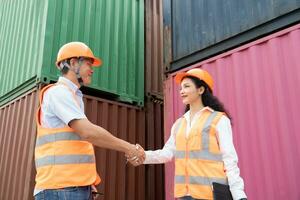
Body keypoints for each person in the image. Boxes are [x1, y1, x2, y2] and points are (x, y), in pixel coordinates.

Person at [34, 42, 145, 200]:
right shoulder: (58, 93)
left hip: (71, 187)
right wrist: (128, 148)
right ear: (73, 63)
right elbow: (88, 133)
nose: (92, 70)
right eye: (88, 64)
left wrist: (86, 183)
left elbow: (74, 145)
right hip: (61, 188)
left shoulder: (73, 97)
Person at [139, 68, 247, 200]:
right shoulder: (179, 124)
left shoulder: (218, 120)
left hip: (211, 194)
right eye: (180, 88)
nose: (182, 91)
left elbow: (229, 159)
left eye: (186, 86)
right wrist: (142, 156)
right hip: (185, 195)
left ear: (200, 90)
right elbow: (166, 153)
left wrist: (239, 195)